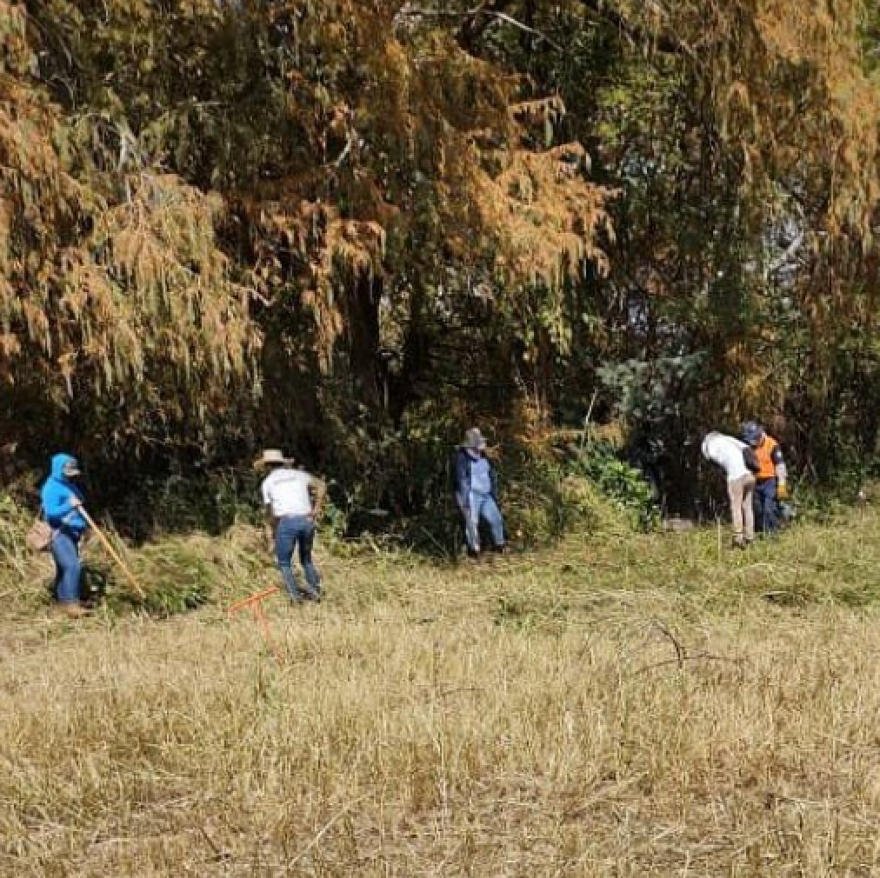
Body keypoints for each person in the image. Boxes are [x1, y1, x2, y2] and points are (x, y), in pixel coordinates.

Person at [257, 449, 326, 603]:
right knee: (306, 559)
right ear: (282, 463)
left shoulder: (267, 483)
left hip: (287, 522)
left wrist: (271, 533)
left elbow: (271, 513)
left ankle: (295, 598)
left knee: (283, 562)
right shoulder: (299, 475)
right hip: (307, 520)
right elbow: (321, 485)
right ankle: (315, 592)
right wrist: (316, 508)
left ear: (267, 466)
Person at [41, 453, 91, 617]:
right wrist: (69, 505)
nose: (70, 476)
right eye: (67, 473)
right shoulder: (51, 487)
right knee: (72, 566)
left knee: (64, 568)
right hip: (59, 533)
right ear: (58, 470)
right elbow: (51, 513)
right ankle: (70, 603)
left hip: (72, 533)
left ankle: (61, 601)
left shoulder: (68, 484)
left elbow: (79, 500)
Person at [453, 427, 506, 557]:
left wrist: (494, 492)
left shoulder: (484, 456)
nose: (482, 444)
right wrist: (463, 501)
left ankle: (500, 546)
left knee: (496, 519)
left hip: (486, 495)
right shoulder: (461, 458)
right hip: (471, 495)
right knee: (472, 524)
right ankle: (474, 552)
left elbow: (491, 475)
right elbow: (461, 481)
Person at [701, 431, 756, 549]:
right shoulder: (728, 439)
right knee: (748, 507)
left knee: (736, 507)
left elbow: (712, 460)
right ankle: (750, 538)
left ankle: (738, 539)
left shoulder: (710, 446)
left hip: (736, 477)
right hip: (750, 475)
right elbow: (747, 448)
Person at [741, 421, 788, 534]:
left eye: (755, 438)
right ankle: (760, 532)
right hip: (754, 482)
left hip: (769, 482)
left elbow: (780, 465)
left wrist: (782, 484)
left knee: (769, 509)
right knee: (757, 509)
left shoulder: (772, 445)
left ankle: (772, 535)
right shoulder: (747, 447)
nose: (754, 442)